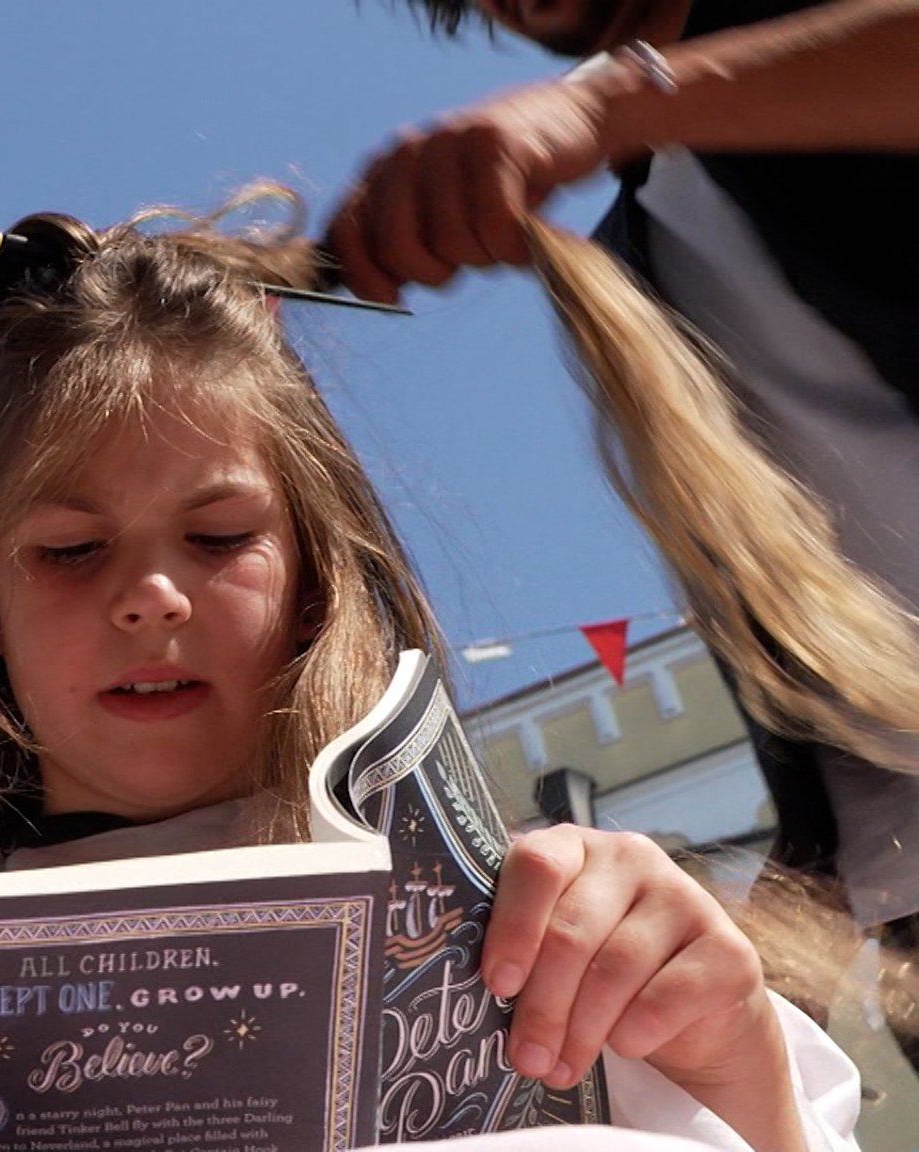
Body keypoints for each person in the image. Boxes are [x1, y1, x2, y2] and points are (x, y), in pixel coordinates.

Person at [0, 193, 861, 1152]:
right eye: (71, 551)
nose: (149, 596)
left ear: (312, 577)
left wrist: (735, 1057)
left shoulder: (551, 938)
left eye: (219, 535)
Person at [324, 0, 919, 1015]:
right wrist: (800, 905)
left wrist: (608, 105)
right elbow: (802, 610)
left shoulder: (834, 41)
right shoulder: (635, 254)